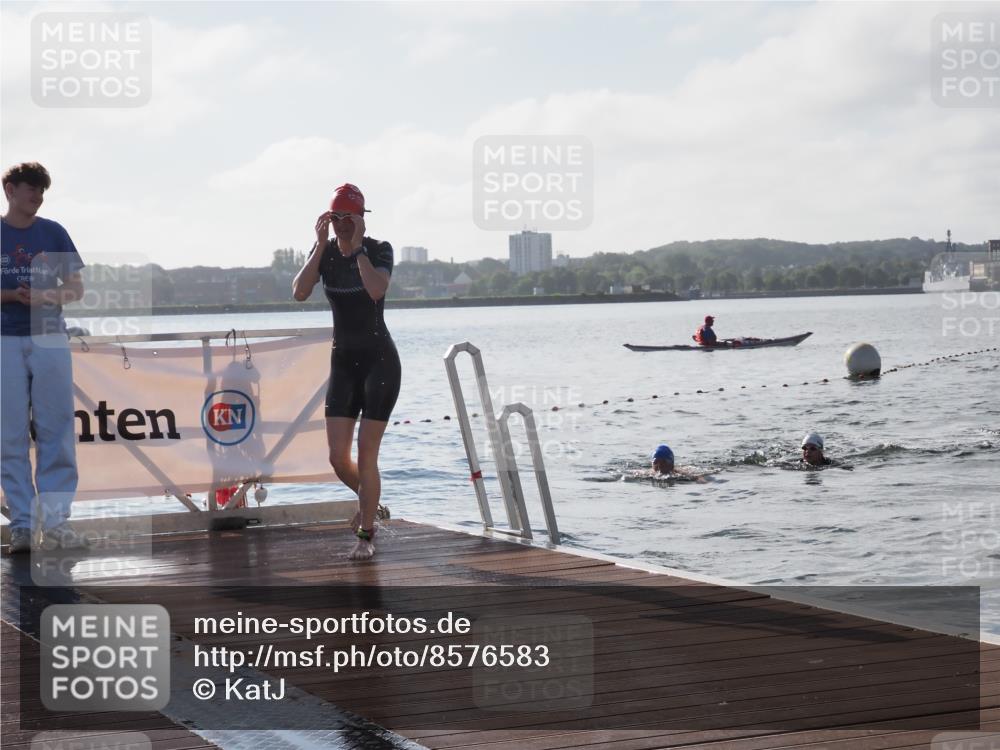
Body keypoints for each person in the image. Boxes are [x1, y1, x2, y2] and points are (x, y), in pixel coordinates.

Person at [293, 183, 400, 561]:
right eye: (334, 218)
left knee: (366, 452)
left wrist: (356, 250)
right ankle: (371, 503)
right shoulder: (323, 253)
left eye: (348, 218)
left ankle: (366, 531)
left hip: (379, 363)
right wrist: (320, 245)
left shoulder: (378, 250)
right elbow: (300, 292)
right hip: (343, 363)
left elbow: (375, 290)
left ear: (361, 219)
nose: (341, 225)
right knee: (338, 457)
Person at [1, 162, 86, 553]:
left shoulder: (53, 232)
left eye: (41, 190)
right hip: (5, 339)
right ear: (10, 189)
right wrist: (11, 297)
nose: (36, 196)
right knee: (9, 434)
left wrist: (43, 297)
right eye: (30, 188)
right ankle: (21, 524)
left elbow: (75, 288)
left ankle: (54, 525)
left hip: (50, 338)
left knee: (56, 430)